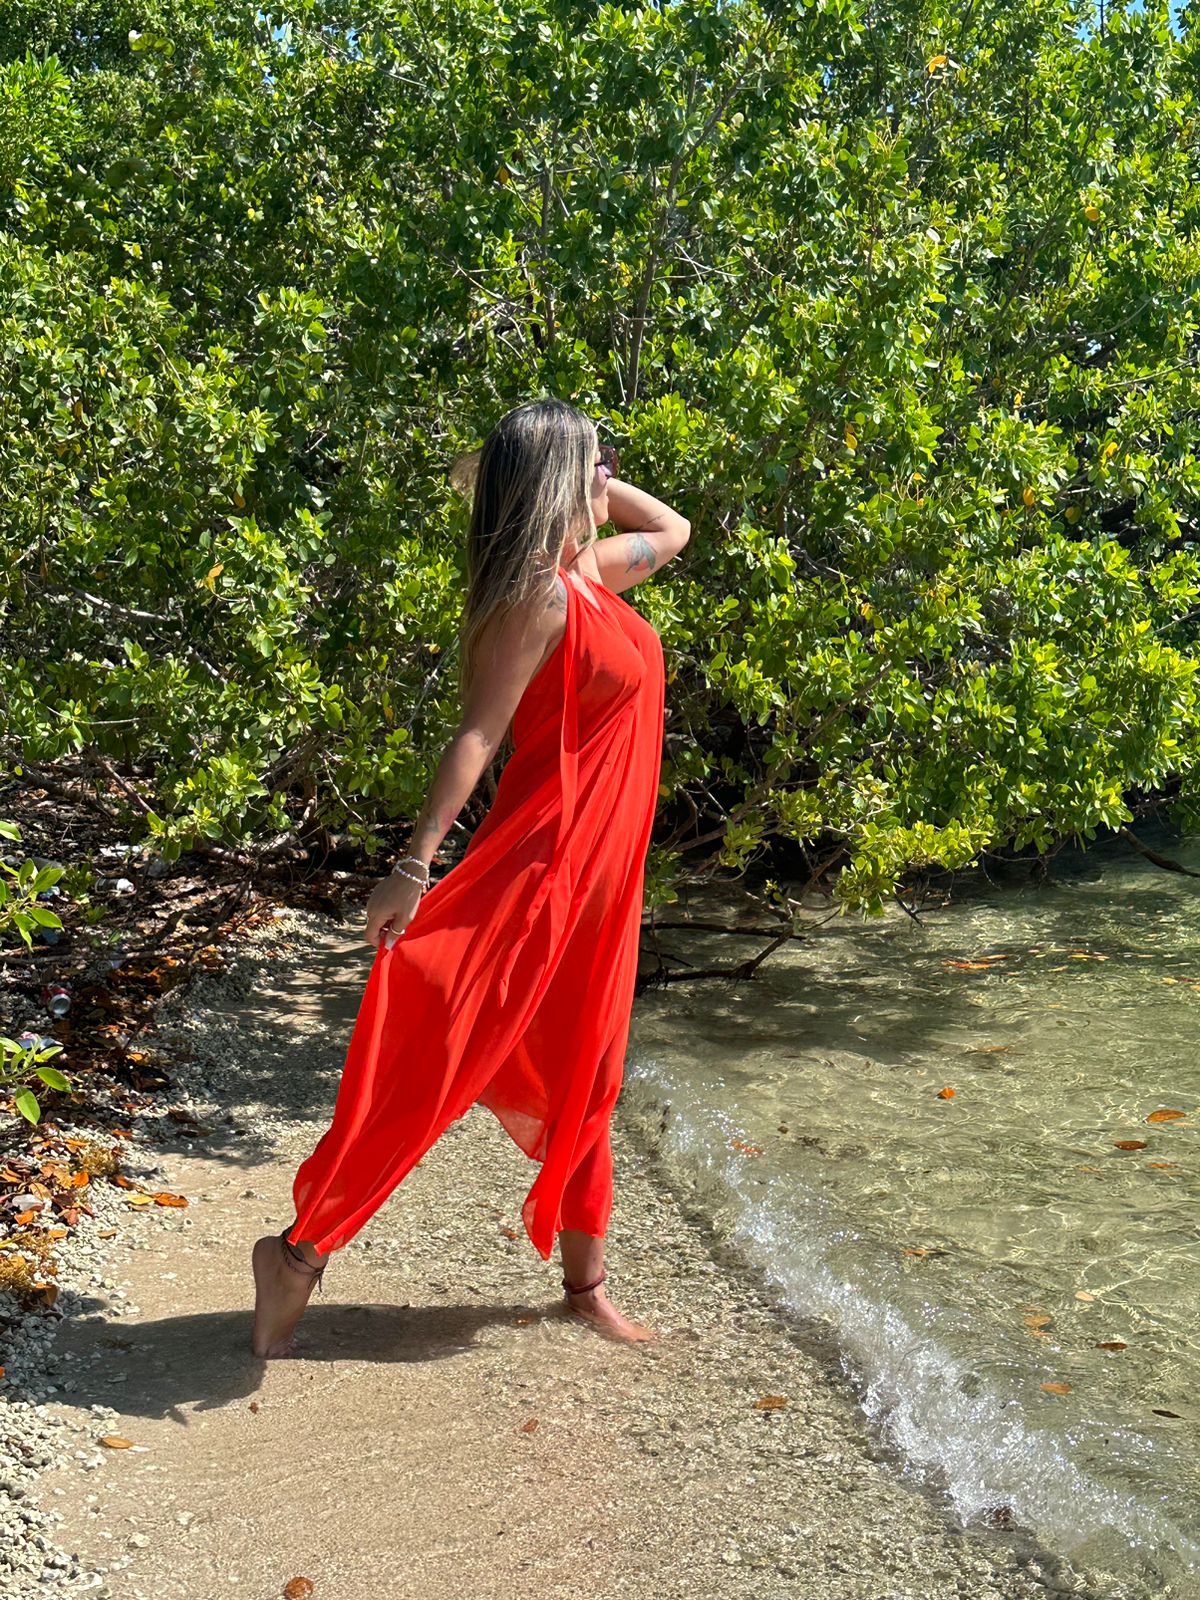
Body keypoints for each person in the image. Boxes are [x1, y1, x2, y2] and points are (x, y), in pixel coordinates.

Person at [250, 397, 690, 1357]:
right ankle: (298, 1252)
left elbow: (674, 527)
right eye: (593, 463)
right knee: (442, 1049)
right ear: (555, 481)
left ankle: (587, 1288)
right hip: (541, 862)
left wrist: (579, 478)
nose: (607, 477)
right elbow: (478, 736)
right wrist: (413, 866)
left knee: (593, 1071)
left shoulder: (588, 575)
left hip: (606, 882)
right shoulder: (535, 598)